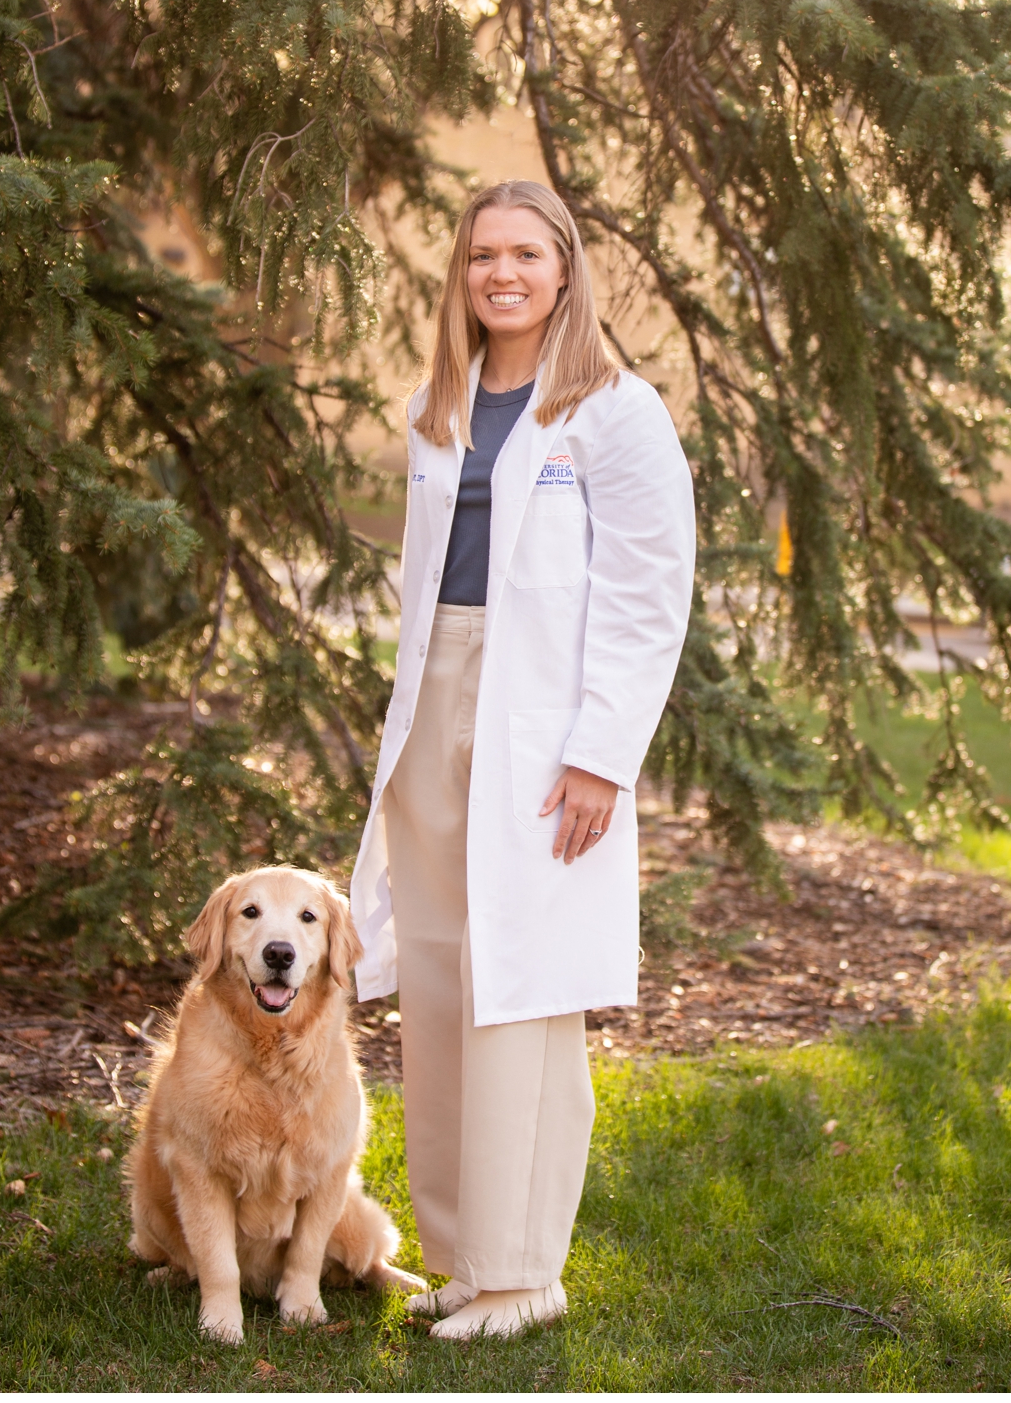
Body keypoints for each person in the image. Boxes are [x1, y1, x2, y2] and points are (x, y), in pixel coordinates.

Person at [346, 180, 695, 1340]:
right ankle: (460, 1256)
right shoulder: (437, 406)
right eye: (482, 254)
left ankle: (525, 1271)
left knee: (523, 982)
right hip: (437, 694)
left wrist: (601, 754)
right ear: (463, 274)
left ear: (564, 269)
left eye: (526, 255)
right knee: (442, 973)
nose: (503, 273)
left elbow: (649, 597)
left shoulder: (616, 410)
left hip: (543, 722)